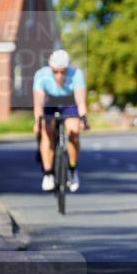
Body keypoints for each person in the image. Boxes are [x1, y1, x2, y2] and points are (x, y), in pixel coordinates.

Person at [33, 49, 88, 192]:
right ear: (50, 68)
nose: (59, 75)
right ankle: (48, 173)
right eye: (55, 71)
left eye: (63, 72)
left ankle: (72, 169)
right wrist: (37, 123)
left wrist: (83, 119)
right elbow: (38, 104)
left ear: (67, 68)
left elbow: (81, 102)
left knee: (74, 132)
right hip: (50, 103)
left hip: (69, 102)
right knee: (46, 131)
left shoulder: (76, 74)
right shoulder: (41, 75)